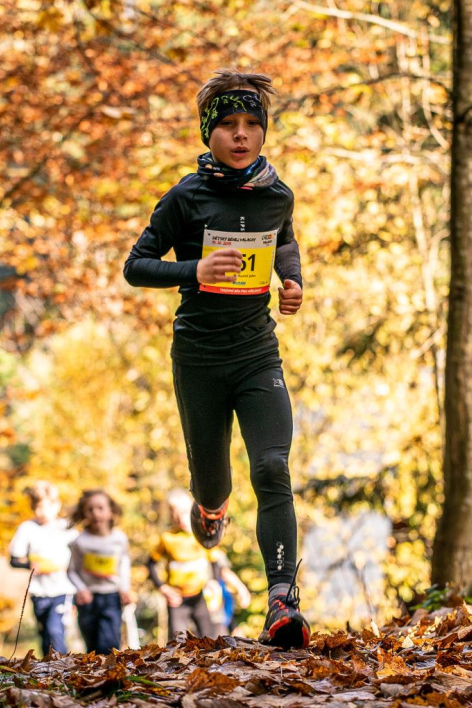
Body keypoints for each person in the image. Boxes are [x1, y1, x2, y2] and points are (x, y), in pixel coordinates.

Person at [123, 69, 309, 648]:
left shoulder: (278, 193)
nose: (241, 135)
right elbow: (136, 265)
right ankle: (210, 508)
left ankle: (282, 601)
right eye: (228, 124)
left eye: (252, 124)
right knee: (213, 480)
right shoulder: (186, 196)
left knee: (273, 468)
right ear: (209, 132)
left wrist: (292, 281)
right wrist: (193, 270)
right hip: (199, 358)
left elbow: (284, 239)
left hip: (257, 354)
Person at [147, 488, 250, 640]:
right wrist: (162, 587)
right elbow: (151, 563)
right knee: (177, 641)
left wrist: (215, 582)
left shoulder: (203, 536)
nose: (180, 518)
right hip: (177, 600)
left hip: (200, 597)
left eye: (183, 513)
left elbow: (215, 562)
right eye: (175, 513)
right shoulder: (168, 539)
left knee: (209, 639)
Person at [8, 480, 78, 657]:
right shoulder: (27, 528)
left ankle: (62, 667)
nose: (41, 512)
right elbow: (14, 560)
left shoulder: (67, 528)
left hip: (63, 589)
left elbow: (80, 555)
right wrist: (29, 565)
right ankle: (47, 670)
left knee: (56, 629)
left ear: (56, 506)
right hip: (38, 590)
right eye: (37, 507)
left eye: (46, 507)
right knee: (45, 633)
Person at [67, 489, 134, 654]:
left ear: (111, 511)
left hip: (111, 597)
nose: (95, 513)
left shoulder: (119, 539)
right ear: (84, 513)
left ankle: (111, 674)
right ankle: (94, 677)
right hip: (87, 600)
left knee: (109, 643)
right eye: (90, 509)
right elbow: (72, 571)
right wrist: (81, 589)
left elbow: (124, 564)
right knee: (92, 645)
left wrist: (125, 588)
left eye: (100, 508)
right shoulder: (80, 541)